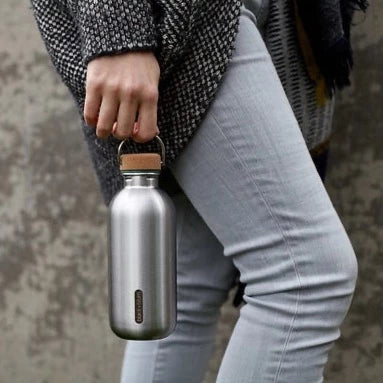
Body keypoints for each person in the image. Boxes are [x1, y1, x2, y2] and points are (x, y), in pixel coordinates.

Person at [29, 0, 368, 382]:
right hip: (187, 16)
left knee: (182, 291)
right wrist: (117, 30)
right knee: (305, 278)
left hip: (256, 20)